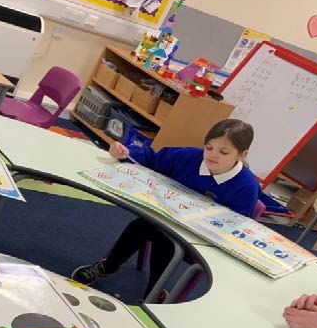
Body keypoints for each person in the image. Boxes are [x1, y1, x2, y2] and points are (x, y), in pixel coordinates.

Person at [71, 119, 259, 299]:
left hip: (200, 240)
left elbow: (235, 225)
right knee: (139, 227)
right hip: (165, 221)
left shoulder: (246, 186)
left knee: (165, 242)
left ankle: (155, 289)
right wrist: (125, 153)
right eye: (209, 147)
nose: (212, 155)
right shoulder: (188, 157)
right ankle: (109, 266)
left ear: (242, 154)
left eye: (224, 152)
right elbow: (152, 158)